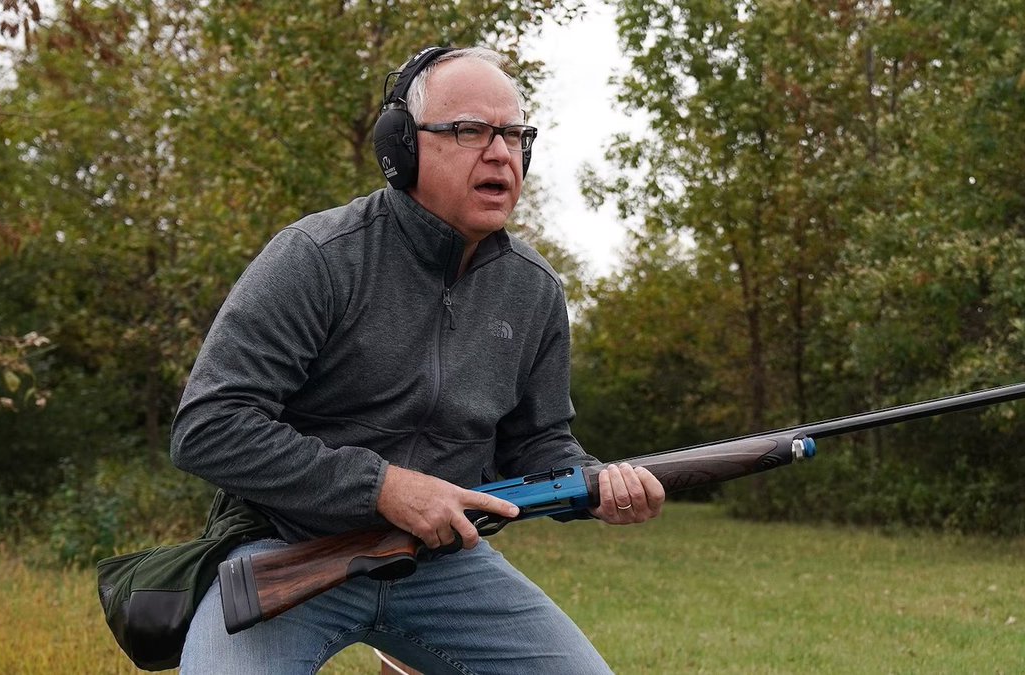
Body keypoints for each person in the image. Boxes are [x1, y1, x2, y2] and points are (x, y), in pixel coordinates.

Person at [169, 46, 665, 674]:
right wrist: (384, 488)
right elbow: (208, 427)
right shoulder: (317, 256)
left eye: (515, 136)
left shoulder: (534, 290)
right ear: (402, 149)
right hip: (286, 551)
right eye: (470, 131)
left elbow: (538, 443)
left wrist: (596, 485)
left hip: (444, 566)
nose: (501, 154)